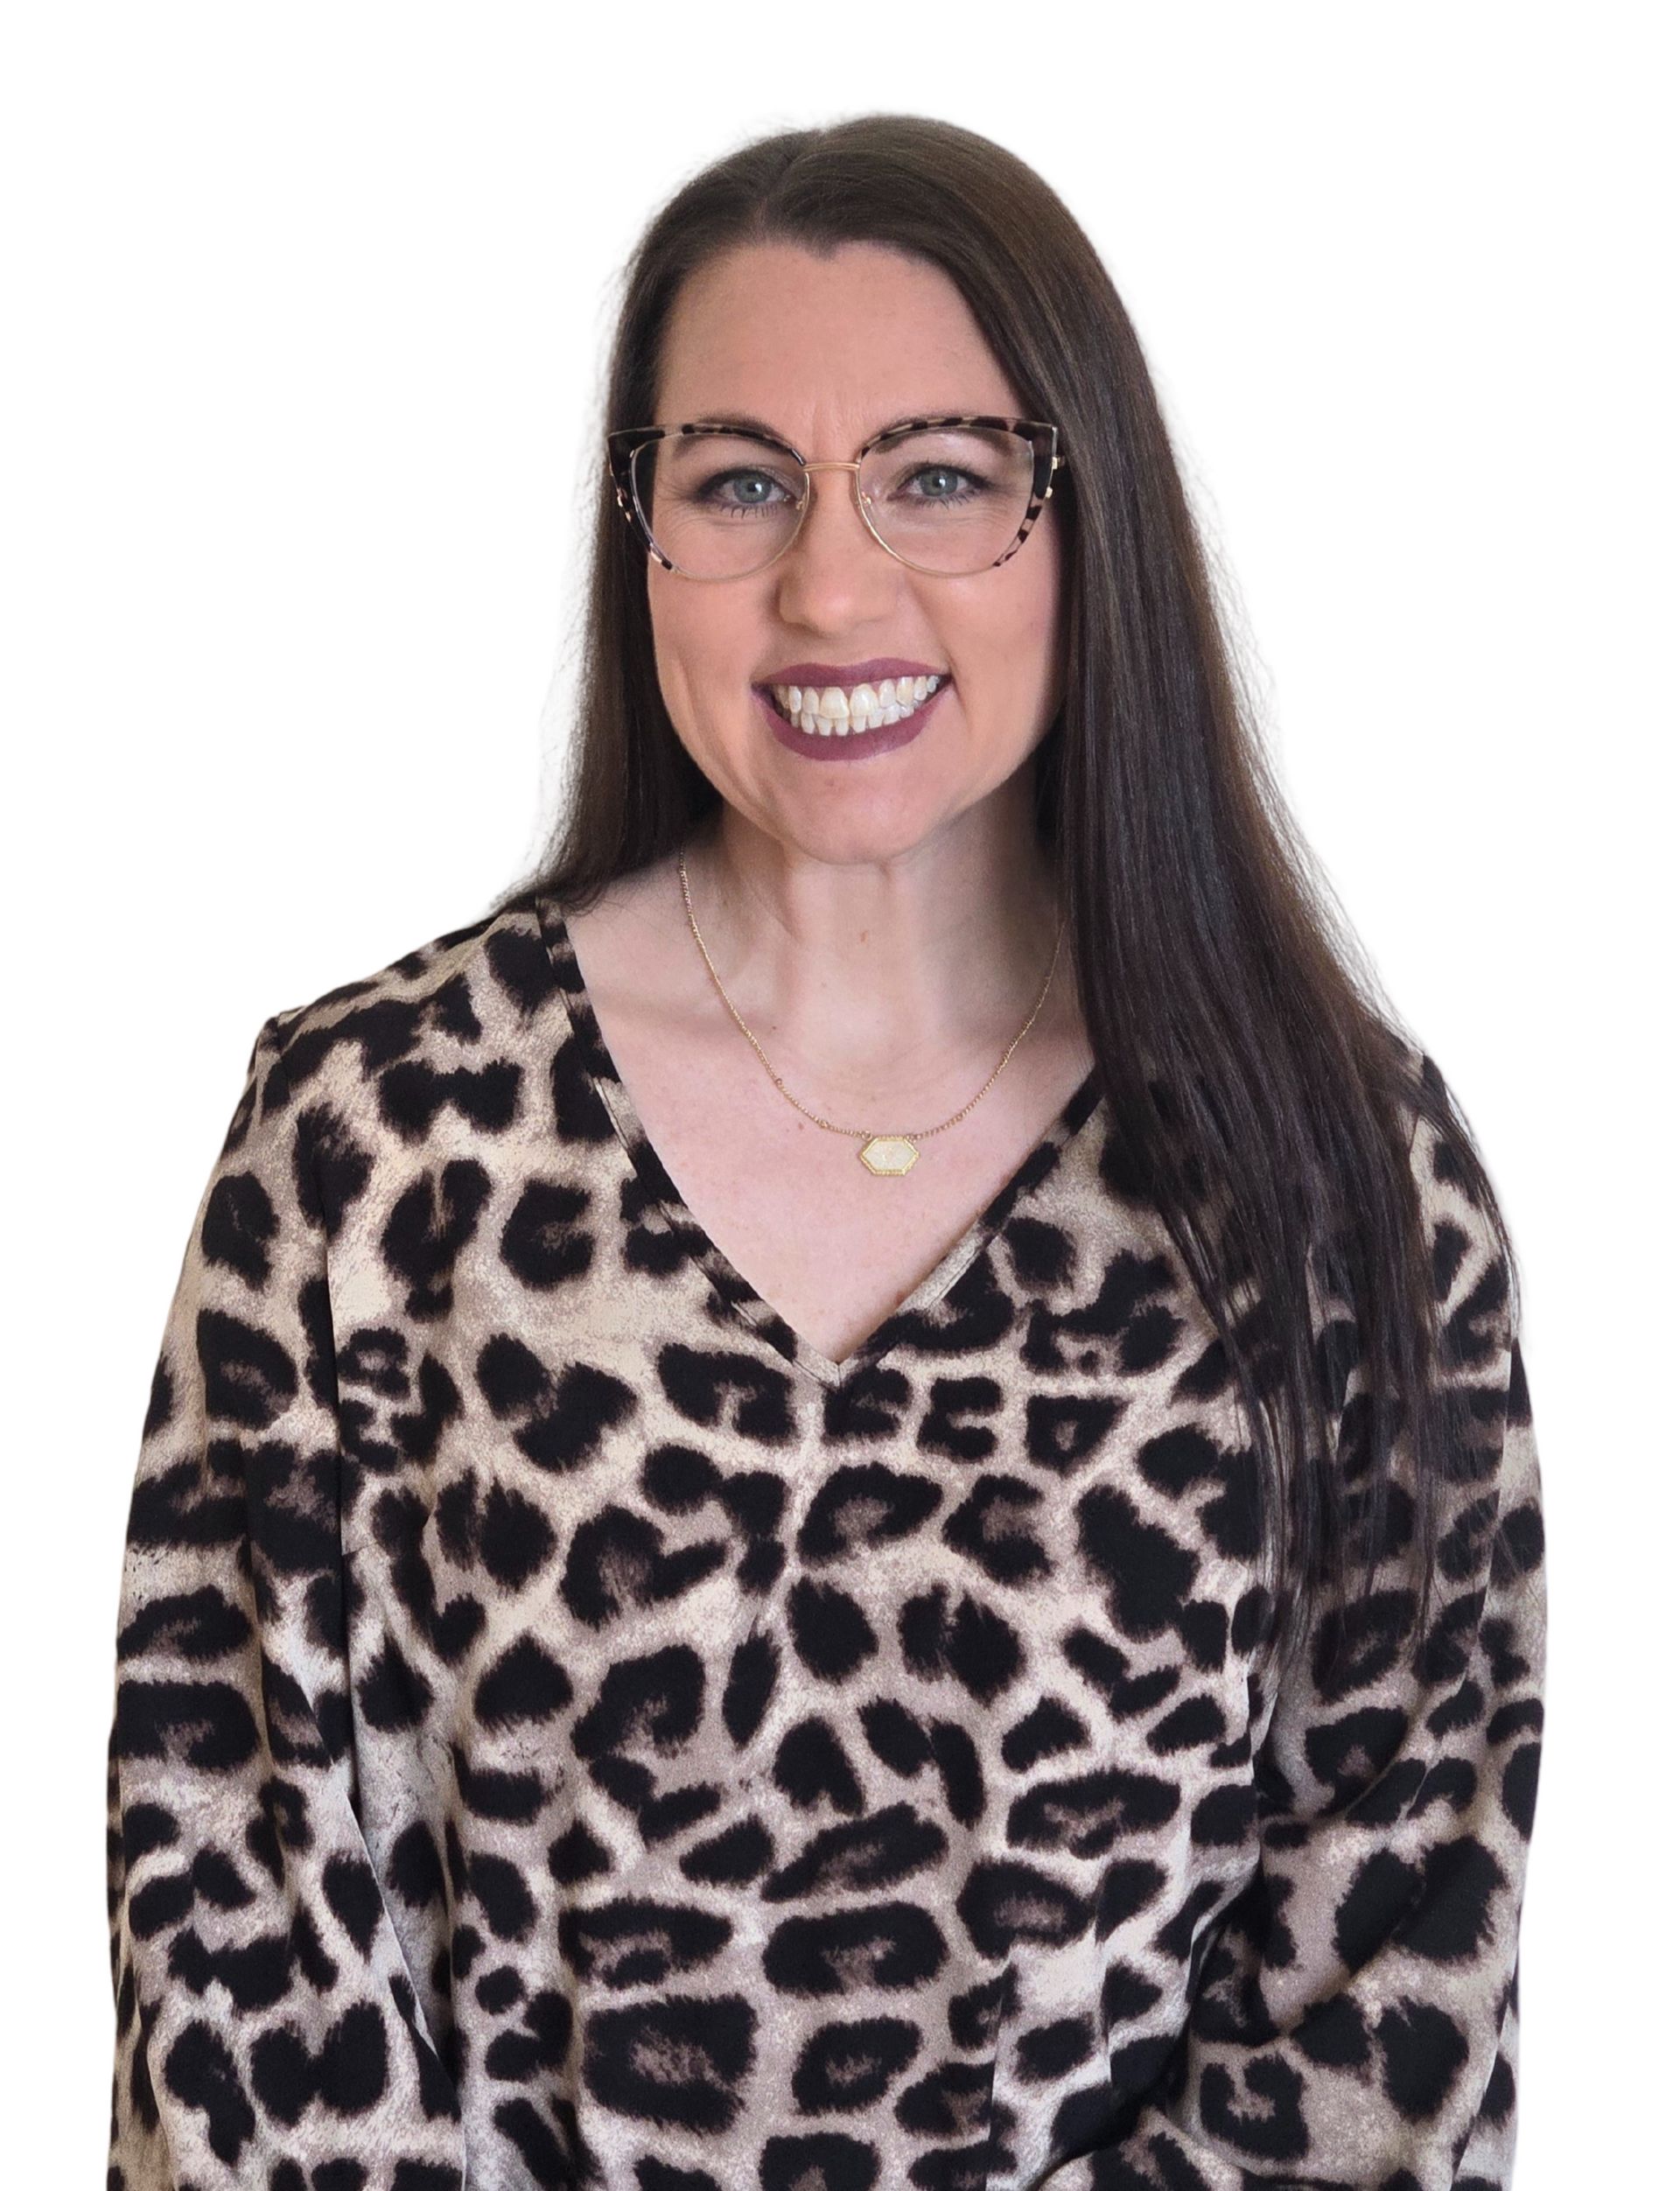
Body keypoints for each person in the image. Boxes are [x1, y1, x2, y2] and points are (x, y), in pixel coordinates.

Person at [105, 114, 1546, 2191]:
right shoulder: (368, 1137)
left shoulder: (1337, 1176)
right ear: (643, 535)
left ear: (1086, 519)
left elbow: (1399, 1987)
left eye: (941, 476)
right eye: (741, 483)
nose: (832, 583)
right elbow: (230, 1919)